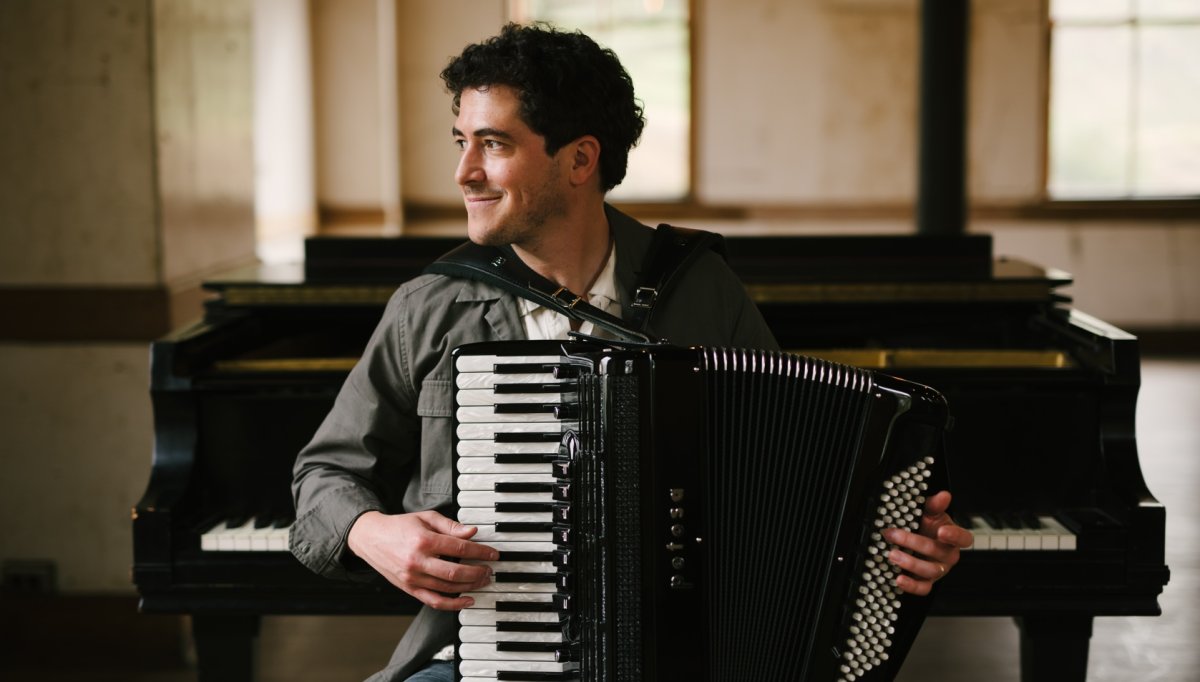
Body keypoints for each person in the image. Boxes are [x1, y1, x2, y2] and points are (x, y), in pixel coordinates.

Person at [290, 22, 974, 682]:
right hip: (477, 659)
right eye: (461, 141)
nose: (465, 172)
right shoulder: (432, 307)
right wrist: (368, 530)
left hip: (688, 658)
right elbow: (322, 477)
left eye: (493, 144)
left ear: (581, 158)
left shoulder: (700, 289)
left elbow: (807, 472)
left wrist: (895, 540)